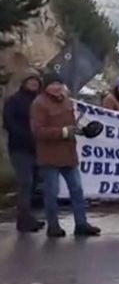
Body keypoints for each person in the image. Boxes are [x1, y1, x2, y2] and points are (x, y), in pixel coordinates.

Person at [30, 72, 101, 238]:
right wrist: (63, 132)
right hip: (50, 156)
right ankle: (53, 226)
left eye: (59, 83)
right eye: (52, 84)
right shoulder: (39, 104)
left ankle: (81, 224)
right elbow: (38, 131)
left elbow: (72, 125)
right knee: (51, 193)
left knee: (77, 190)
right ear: (46, 86)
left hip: (69, 154)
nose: (56, 87)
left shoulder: (67, 101)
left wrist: (82, 131)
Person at [3, 69, 45, 233]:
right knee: (25, 182)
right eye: (30, 80)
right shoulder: (14, 101)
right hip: (20, 148)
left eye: (36, 81)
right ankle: (23, 218)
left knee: (34, 183)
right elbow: (9, 122)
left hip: (38, 148)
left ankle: (28, 217)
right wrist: (27, 137)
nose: (34, 83)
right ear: (24, 82)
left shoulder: (40, 101)